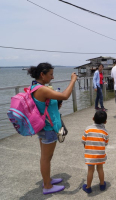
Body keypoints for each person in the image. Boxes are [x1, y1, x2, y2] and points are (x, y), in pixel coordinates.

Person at [27, 62, 77, 194]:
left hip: (43, 127)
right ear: (42, 75)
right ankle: (47, 186)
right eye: (51, 74)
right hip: (48, 128)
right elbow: (65, 96)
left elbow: (44, 105)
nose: (53, 77)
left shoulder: (35, 86)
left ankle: (47, 179)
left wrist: (55, 105)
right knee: (46, 158)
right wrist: (73, 80)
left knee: (46, 157)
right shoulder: (42, 89)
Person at [82, 110, 109, 193]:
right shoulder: (105, 132)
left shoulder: (88, 129)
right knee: (100, 169)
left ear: (93, 118)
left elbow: (84, 141)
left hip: (90, 155)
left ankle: (88, 187)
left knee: (90, 170)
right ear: (105, 122)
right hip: (100, 155)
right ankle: (102, 185)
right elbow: (105, 143)